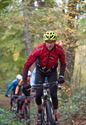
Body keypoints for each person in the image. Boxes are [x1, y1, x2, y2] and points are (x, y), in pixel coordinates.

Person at [22, 31, 66, 121]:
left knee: (54, 94)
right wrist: (24, 83)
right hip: (40, 72)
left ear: (55, 41)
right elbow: (26, 66)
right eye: (48, 42)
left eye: (52, 42)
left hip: (52, 72)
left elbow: (63, 63)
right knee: (38, 95)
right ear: (45, 41)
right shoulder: (38, 49)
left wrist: (61, 76)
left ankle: (55, 111)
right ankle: (39, 109)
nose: (50, 44)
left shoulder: (59, 49)